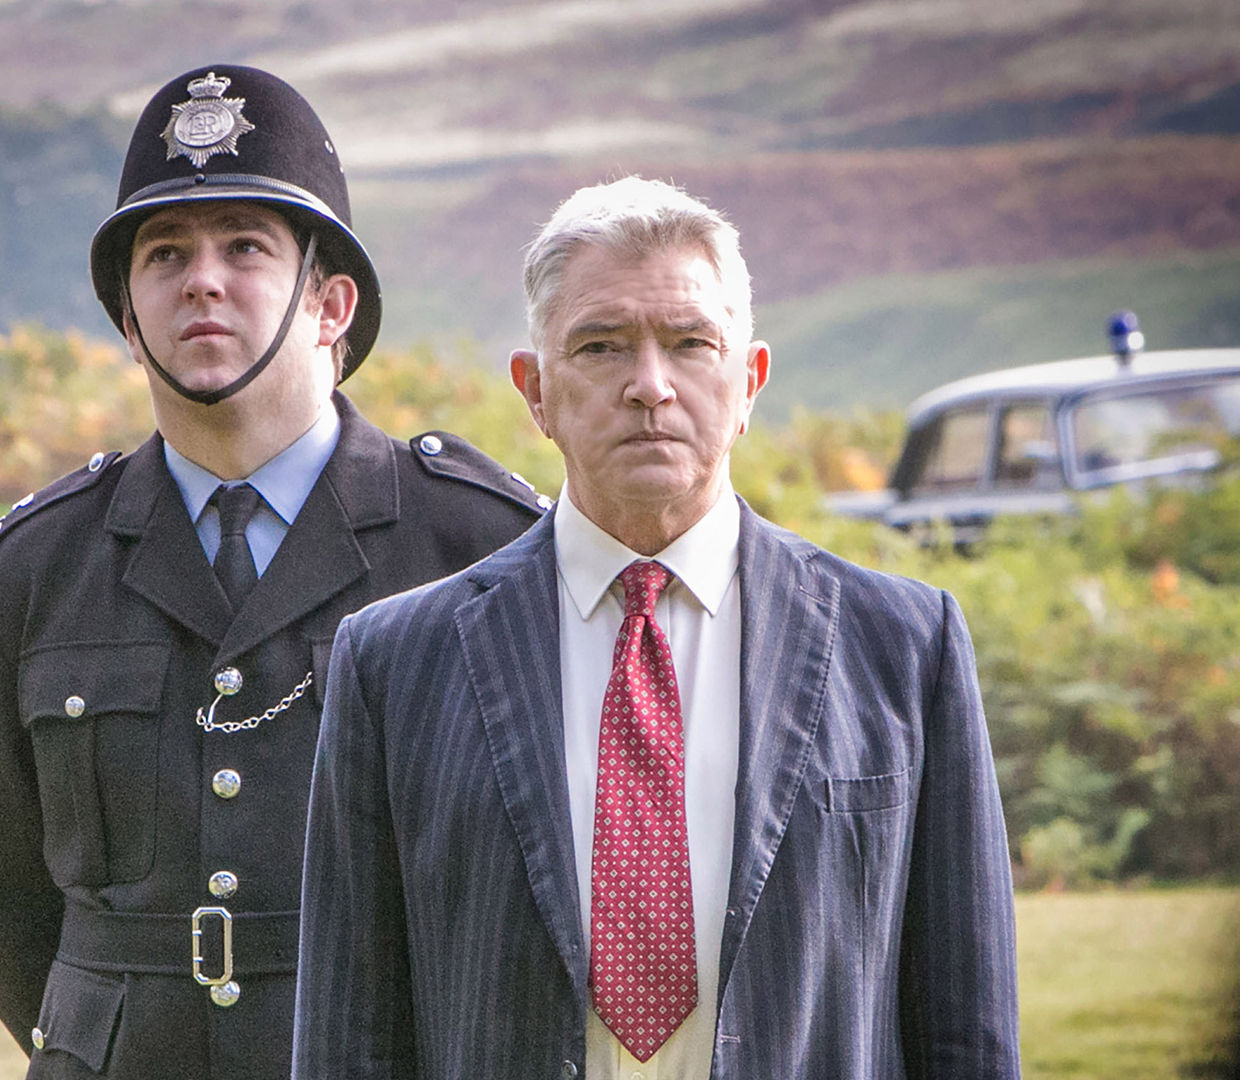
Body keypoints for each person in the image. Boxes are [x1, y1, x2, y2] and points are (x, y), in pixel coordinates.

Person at [295, 177, 1021, 1079]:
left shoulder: (905, 647)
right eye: (600, 345)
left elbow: (967, 1033)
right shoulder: (395, 663)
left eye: (690, 343)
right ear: (536, 392)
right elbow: (351, 1040)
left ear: (748, 381)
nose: (649, 385)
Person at [0, 65, 545, 1080]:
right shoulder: (33, 567)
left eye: (245, 247)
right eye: (165, 254)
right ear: (128, 317)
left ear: (331, 304)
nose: (202, 280)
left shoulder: (480, 546)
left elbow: (535, 885)